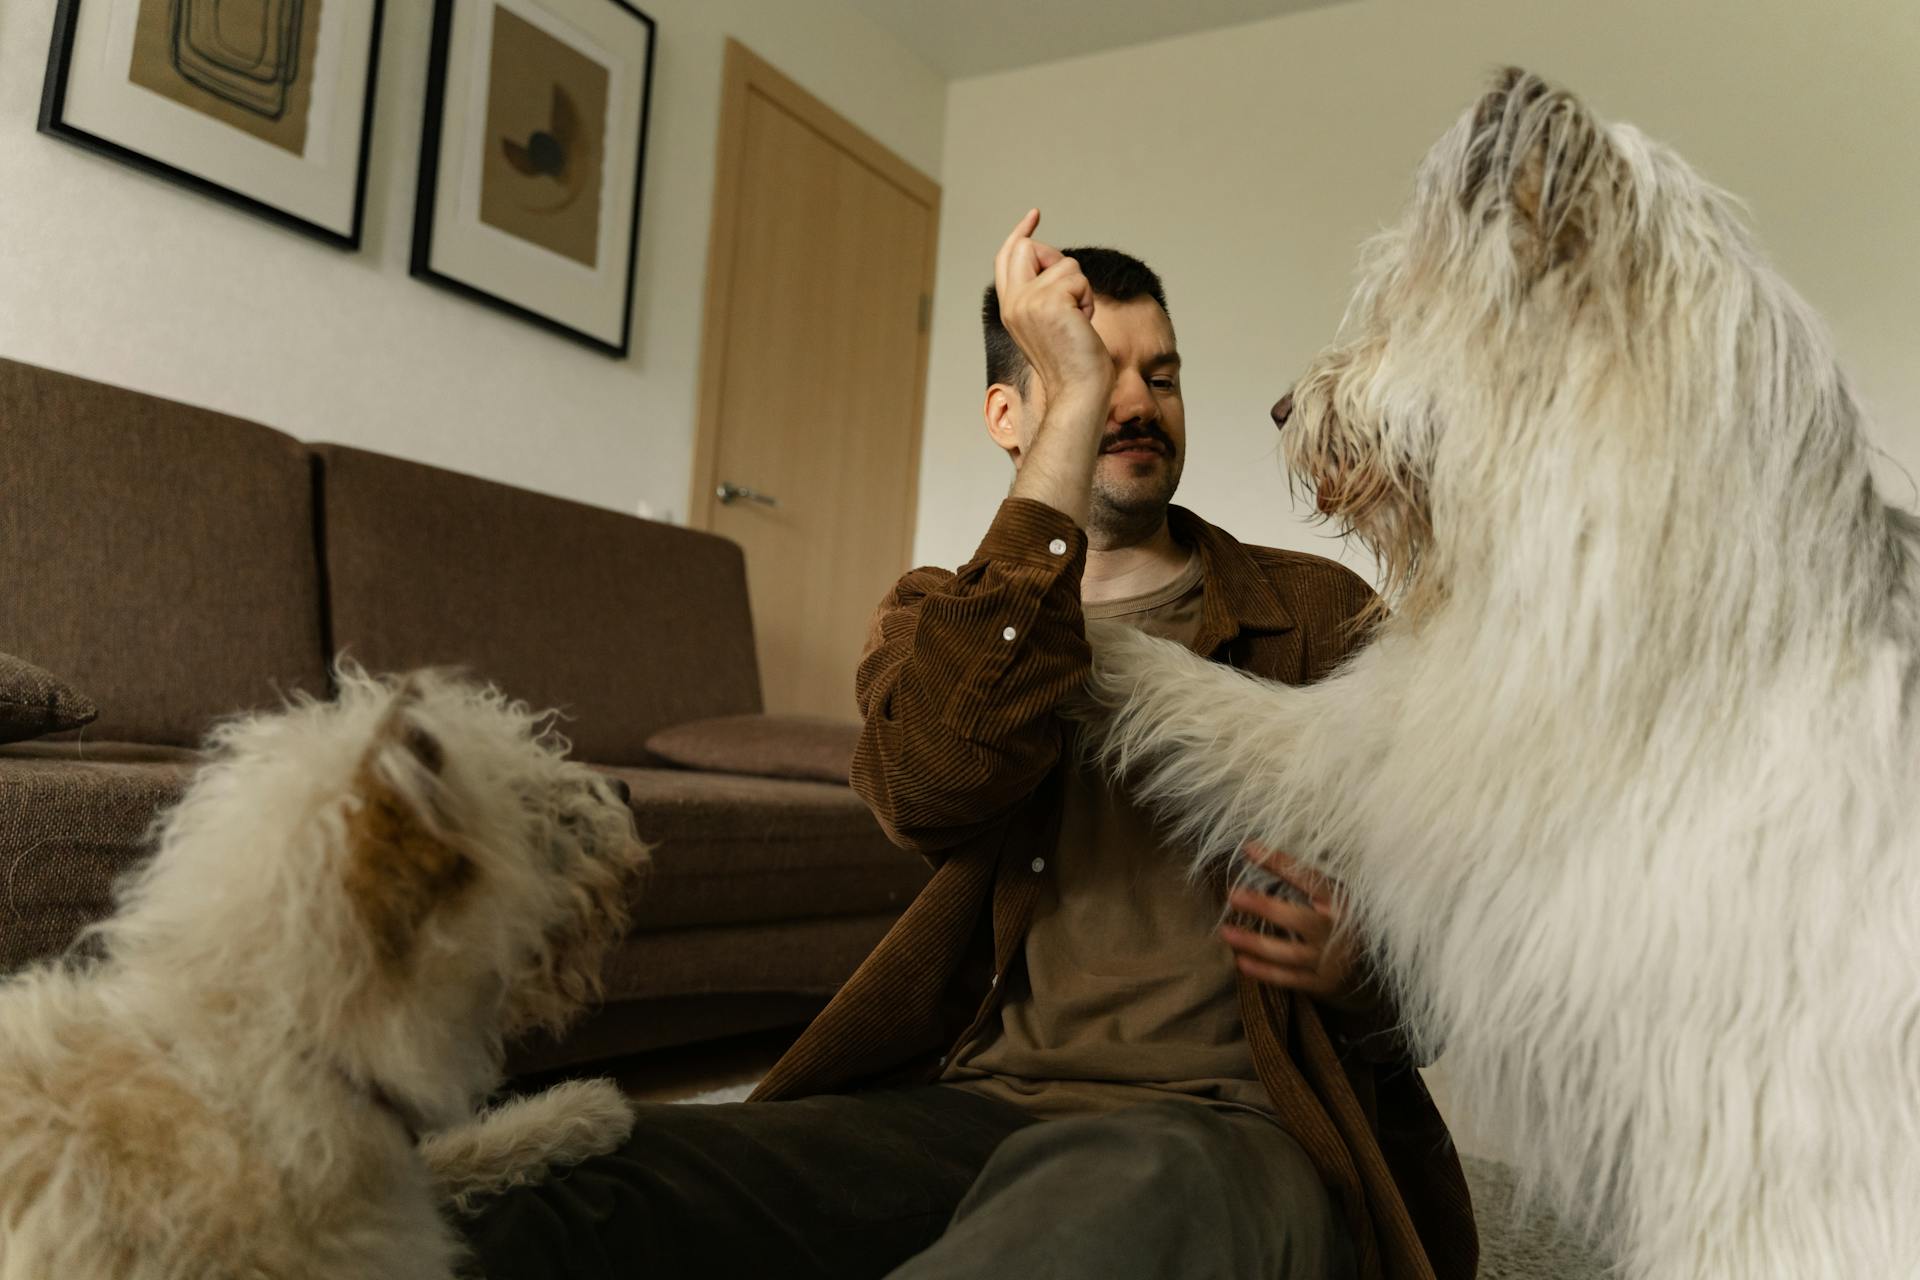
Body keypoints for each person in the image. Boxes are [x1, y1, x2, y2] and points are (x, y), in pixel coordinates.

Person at [461, 212, 1477, 1280]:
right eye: (1092, 373)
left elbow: (1454, 976)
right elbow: (934, 788)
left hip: (1221, 1130)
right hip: (973, 1106)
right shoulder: (934, 618)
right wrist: (1067, 428)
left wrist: (1355, 967)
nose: (1135, 402)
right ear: (1011, 413)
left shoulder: (1318, 615)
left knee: (1099, 1215)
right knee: (585, 1178)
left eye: (1160, 376)